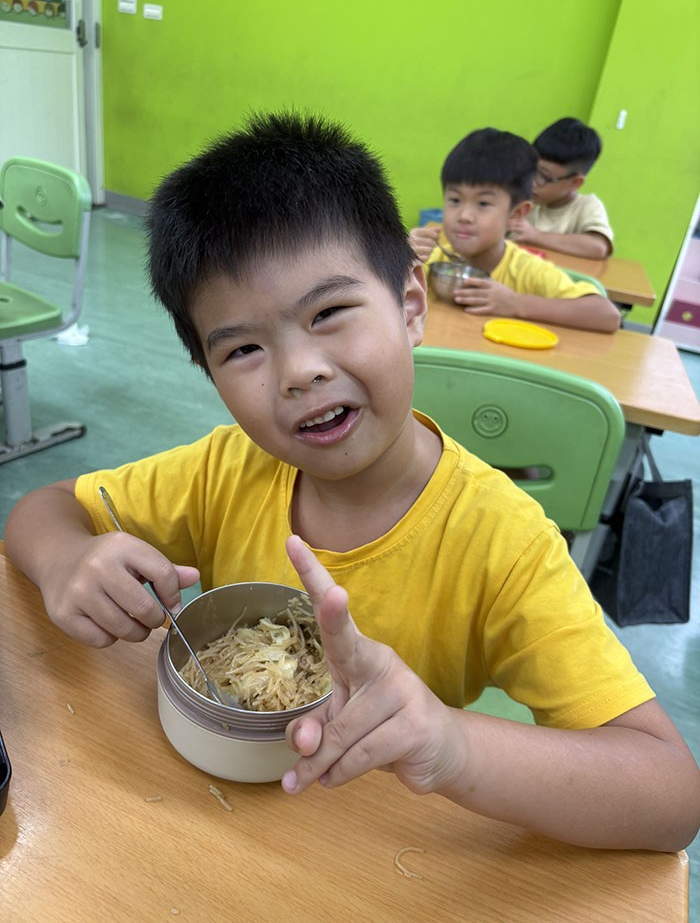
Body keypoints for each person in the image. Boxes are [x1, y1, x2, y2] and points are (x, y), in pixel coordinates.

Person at [5, 112, 699, 852]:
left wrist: (451, 743)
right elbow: (44, 507)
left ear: (410, 305)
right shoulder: (223, 470)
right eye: (242, 350)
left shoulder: (502, 541)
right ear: (208, 373)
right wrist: (67, 559)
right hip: (215, 824)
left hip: (379, 845)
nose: (299, 370)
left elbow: (671, 796)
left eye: (330, 311)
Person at [409, 127, 620, 333]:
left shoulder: (526, 270)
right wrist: (402, 260)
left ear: (516, 215)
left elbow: (607, 315)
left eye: (483, 204)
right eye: (455, 200)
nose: (464, 216)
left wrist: (515, 303)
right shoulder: (429, 259)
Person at [509, 117, 614, 259]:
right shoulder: (524, 199)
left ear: (575, 182)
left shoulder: (586, 206)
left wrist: (537, 236)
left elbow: (598, 247)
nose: (532, 182)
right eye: (530, 170)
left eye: (543, 177)